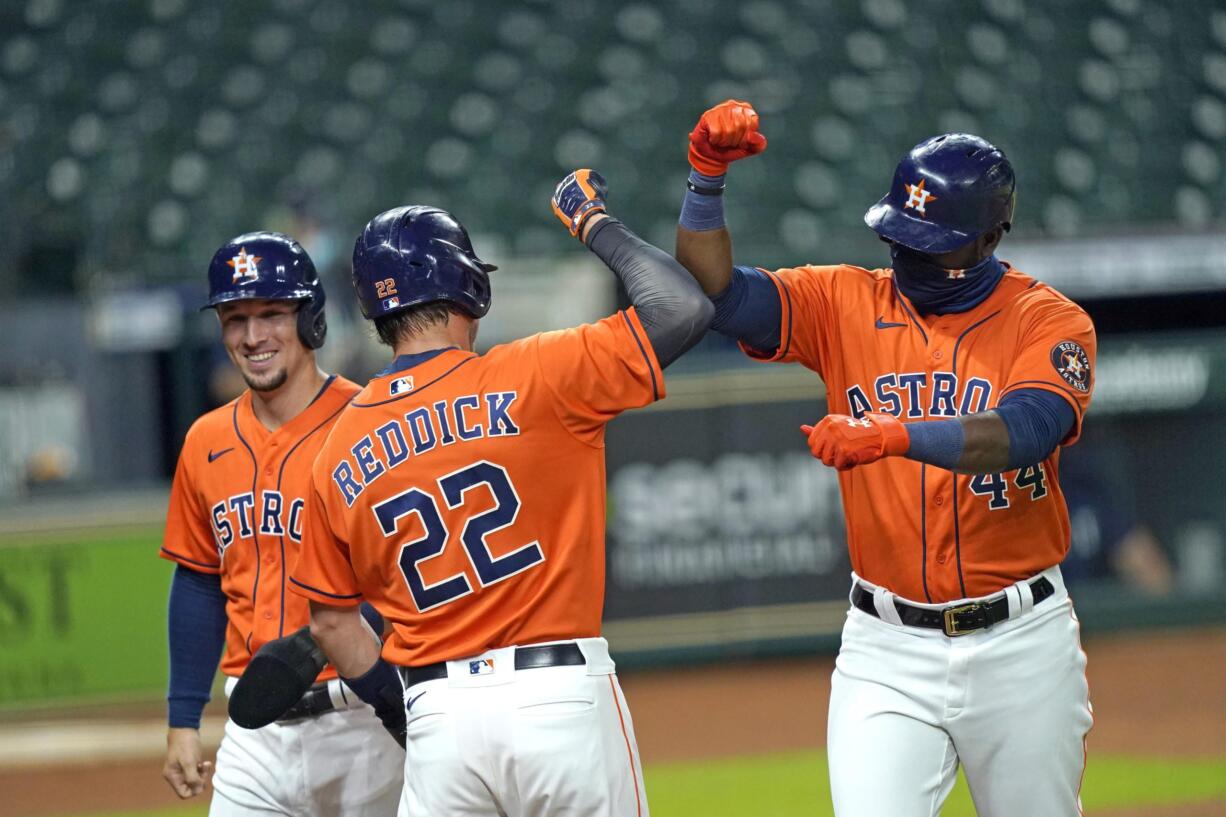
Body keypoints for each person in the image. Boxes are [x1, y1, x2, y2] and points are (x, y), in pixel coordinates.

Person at [675, 100, 1097, 817]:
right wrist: (706, 179)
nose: (907, 254)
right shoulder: (843, 300)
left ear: (992, 235)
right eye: (900, 235)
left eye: (930, 242)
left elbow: (1026, 428)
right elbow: (716, 294)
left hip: (1022, 645)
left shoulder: (1049, 320)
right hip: (886, 647)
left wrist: (894, 434)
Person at [287, 170, 712, 817]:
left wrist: (400, 709)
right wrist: (593, 221)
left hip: (439, 721)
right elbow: (682, 306)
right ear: (470, 287)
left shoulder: (334, 450)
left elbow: (331, 620)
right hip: (558, 698)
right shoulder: (540, 373)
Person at [158, 232, 403, 816]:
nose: (252, 336)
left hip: (363, 719)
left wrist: (346, 626)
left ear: (312, 320)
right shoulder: (205, 441)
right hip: (253, 733)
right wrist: (182, 719)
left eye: (272, 313)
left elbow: (414, 570)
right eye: (234, 317)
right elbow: (197, 580)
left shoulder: (370, 422)